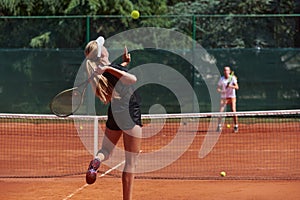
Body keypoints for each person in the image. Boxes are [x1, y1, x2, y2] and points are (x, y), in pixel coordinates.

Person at [84, 36, 142, 200]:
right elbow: (132, 79)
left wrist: (123, 64)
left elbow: (114, 72)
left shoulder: (101, 72)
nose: (105, 47)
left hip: (115, 113)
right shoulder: (108, 69)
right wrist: (111, 68)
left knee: (106, 151)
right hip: (130, 112)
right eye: (103, 46)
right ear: (101, 54)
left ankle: (96, 161)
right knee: (131, 162)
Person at [216, 66, 239, 133]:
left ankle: (236, 126)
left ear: (229, 71)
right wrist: (221, 91)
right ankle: (219, 126)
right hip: (224, 97)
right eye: (225, 70)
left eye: (227, 70)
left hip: (232, 97)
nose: (226, 71)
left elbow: (237, 87)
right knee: (220, 111)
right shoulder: (221, 79)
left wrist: (230, 86)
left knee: (233, 110)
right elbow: (218, 88)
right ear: (224, 72)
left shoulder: (233, 78)